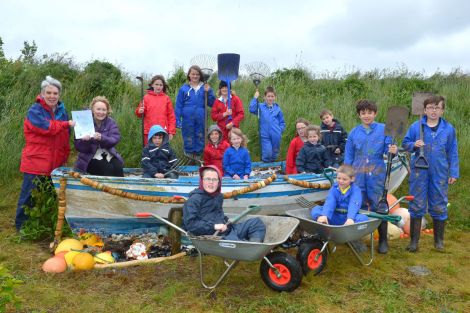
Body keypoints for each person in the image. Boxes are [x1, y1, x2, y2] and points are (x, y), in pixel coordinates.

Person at [16, 76, 76, 230]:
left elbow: (65, 136)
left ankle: (43, 224)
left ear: (59, 95)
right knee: (29, 196)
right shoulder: (35, 110)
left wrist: (64, 156)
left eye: (55, 93)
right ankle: (21, 226)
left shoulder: (63, 111)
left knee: (50, 196)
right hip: (36, 161)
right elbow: (46, 128)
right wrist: (65, 124)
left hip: (56, 163)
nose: (52, 96)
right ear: (42, 94)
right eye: (48, 93)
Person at [402, 95, 458, 252]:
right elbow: (405, 144)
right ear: (425, 110)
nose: (434, 111)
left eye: (437, 108)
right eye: (431, 108)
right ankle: (414, 242)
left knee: (439, 204)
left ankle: (439, 241)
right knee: (417, 203)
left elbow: (452, 151)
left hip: (440, 171)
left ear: (442, 110)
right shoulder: (416, 127)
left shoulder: (448, 129)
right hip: (419, 171)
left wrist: (453, 171)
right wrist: (414, 144)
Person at [344, 99, 397, 254]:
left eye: (369, 113)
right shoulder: (354, 132)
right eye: (363, 113)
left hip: (377, 174)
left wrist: (393, 151)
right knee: (356, 205)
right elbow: (349, 155)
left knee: (379, 206)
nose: (366, 116)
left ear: (375, 113)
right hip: (358, 174)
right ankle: (357, 240)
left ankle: (382, 240)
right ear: (359, 115)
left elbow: (389, 151)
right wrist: (347, 173)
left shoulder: (384, 129)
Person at [182, 165, 266, 242]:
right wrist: (214, 226)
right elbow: (190, 224)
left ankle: (253, 245)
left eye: (214, 179)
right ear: (202, 180)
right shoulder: (194, 199)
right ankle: (246, 248)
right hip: (214, 236)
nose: (211, 182)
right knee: (237, 242)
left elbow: (217, 214)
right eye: (208, 179)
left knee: (256, 223)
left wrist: (226, 220)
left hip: (228, 229)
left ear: (219, 182)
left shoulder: (218, 196)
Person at [74, 96, 124, 177]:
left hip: (107, 153)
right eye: (98, 109)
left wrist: (102, 138)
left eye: (104, 110)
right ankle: (105, 189)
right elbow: (79, 147)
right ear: (93, 110)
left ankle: (119, 189)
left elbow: (114, 139)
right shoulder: (83, 121)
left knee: (118, 167)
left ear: (107, 111)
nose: (101, 112)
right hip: (89, 158)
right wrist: (85, 141)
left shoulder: (111, 122)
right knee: (107, 169)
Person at [175, 65, 215, 159]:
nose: (195, 76)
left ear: (200, 76)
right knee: (188, 136)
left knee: (200, 135)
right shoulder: (183, 89)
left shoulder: (204, 88)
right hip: (187, 118)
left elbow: (212, 103)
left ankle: (198, 158)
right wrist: (177, 120)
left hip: (201, 117)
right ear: (189, 75)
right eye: (193, 74)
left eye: (197, 74)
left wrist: (208, 92)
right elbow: (178, 105)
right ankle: (189, 158)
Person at [135, 75, 176, 145]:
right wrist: (139, 111)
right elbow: (139, 113)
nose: (158, 87)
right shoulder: (146, 97)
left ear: (163, 86)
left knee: (162, 153)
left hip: (162, 131)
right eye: (156, 84)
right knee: (149, 152)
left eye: (160, 85)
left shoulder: (166, 98)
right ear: (152, 85)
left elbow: (171, 116)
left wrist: (171, 131)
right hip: (149, 131)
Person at [249, 86, 286, 162]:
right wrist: (255, 98)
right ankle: (265, 167)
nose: (270, 98)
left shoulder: (278, 109)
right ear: (264, 97)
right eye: (268, 96)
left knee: (275, 153)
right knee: (267, 153)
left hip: (276, 135)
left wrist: (280, 130)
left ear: (275, 97)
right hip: (265, 135)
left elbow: (282, 122)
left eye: (272, 96)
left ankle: (272, 167)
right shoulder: (260, 107)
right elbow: (252, 109)